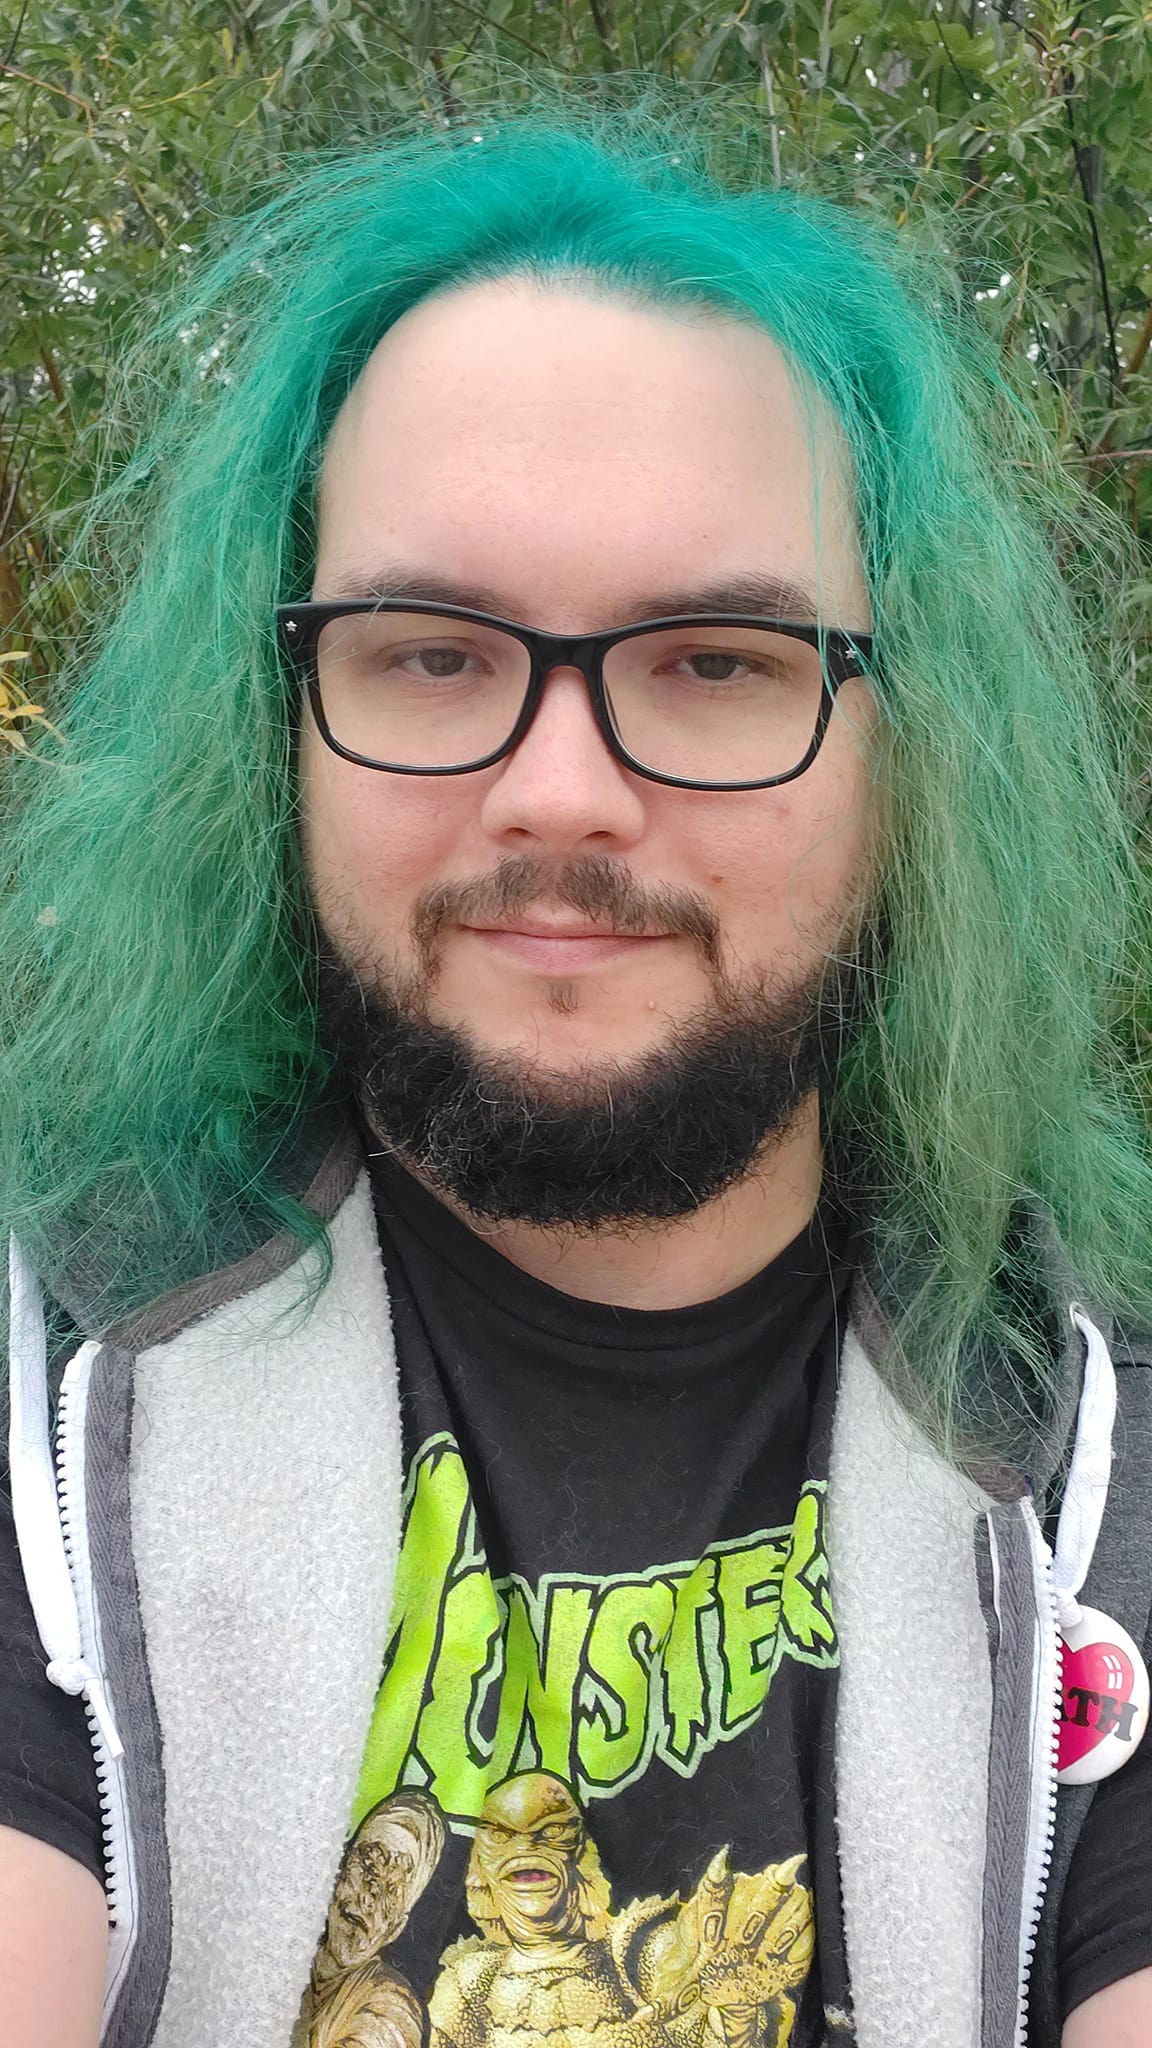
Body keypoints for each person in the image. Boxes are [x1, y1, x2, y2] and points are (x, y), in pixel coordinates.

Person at [0, 113, 1150, 2048]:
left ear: (909, 760)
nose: (559, 791)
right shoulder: (50, 1385)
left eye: (717, 662)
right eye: (432, 653)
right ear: (271, 731)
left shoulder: (1090, 1452)